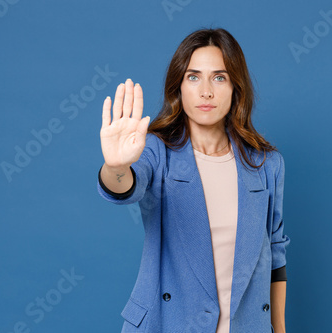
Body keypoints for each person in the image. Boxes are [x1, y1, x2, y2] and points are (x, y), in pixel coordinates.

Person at [97, 28, 290, 333]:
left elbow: (276, 255)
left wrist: (278, 330)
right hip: (169, 324)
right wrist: (116, 165)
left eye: (219, 77)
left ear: (236, 88)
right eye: (193, 77)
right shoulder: (157, 152)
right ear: (179, 87)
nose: (206, 91)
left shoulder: (267, 165)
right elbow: (126, 186)